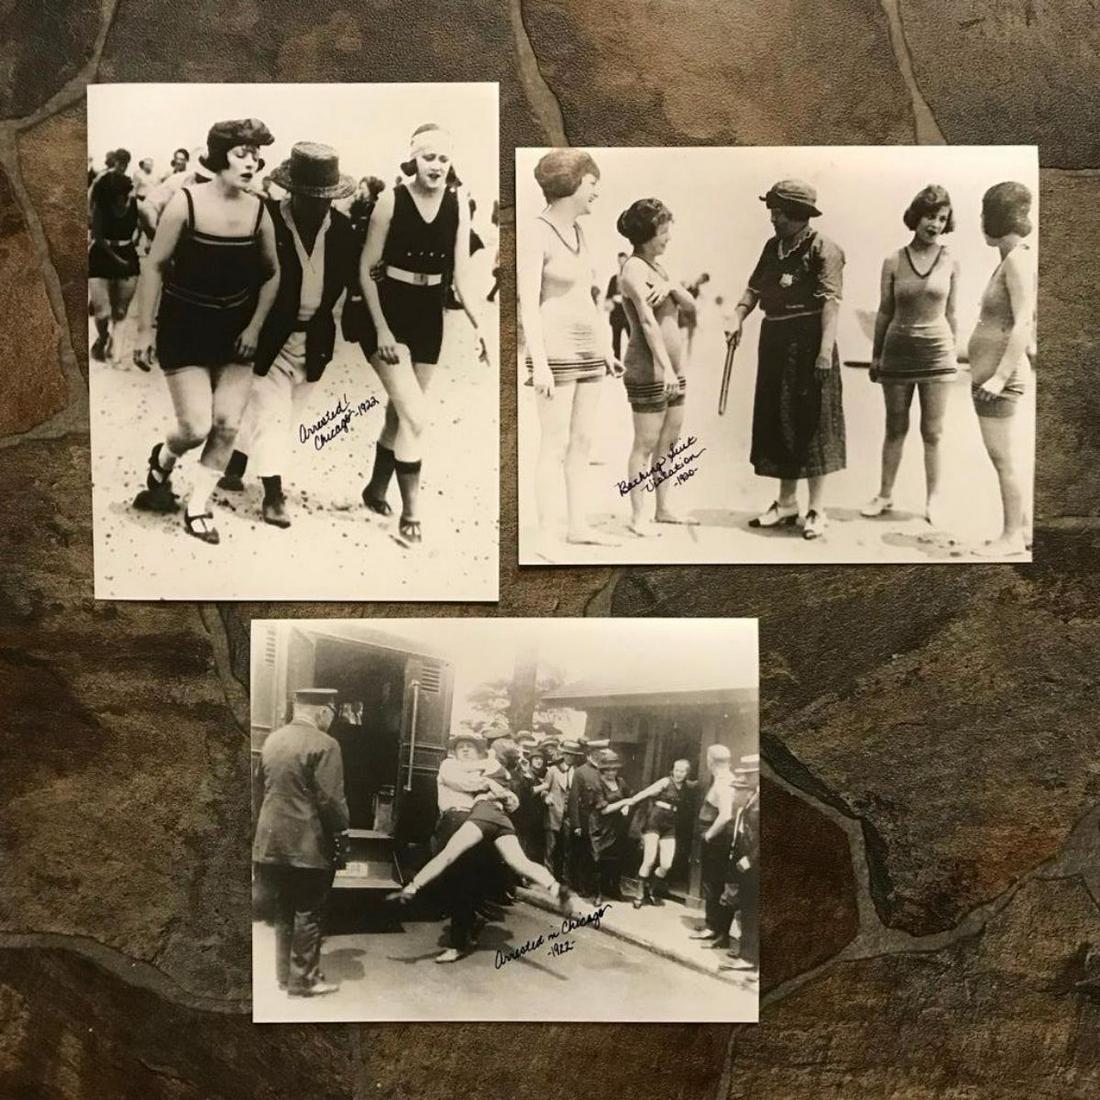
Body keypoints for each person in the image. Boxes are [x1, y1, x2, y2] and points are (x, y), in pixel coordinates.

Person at [131, 118, 279, 546]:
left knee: (228, 425)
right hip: (186, 326)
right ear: (219, 158)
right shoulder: (186, 203)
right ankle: (164, 457)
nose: (250, 163)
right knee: (195, 427)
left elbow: (272, 275)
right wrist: (144, 332)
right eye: (240, 154)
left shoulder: (259, 210)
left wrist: (254, 326)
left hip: (236, 331)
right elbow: (155, 265)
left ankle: (197, 505)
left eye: (255, 154)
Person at [352, 122, 488, 547]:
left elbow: (463, 275)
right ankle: (411, 514)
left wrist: (480, 324)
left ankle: (376, 489)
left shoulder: (458, 204)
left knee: (401, 412)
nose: (437, 165)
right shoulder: (390, 201)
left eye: (444, 158)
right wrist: (382, 330)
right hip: (388, 311)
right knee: (416, 415)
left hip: (430, 316)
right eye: (429, 157)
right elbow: (365, 268)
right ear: (413, 159)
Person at [216, 142, 358, 527]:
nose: (318, 206)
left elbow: (353, 279)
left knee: (286, 414)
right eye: (310, 198)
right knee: (271, 412)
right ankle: (273, 495)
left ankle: (237, 461)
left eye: (325, 198)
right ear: (293, 193)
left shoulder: (344, 231)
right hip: (269, 337)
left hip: (314, 341)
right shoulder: (266, 221)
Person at [726, 179, 846, 540]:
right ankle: (786, 503)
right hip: (775, 340)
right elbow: (754, 289)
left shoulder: (825, 248)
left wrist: (825, 352)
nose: (773, 218)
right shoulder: (771, 247)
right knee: (779, 419)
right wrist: (737, 315)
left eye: (778, 212)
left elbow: (831, 303)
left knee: (813, 424)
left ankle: (816, 509)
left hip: (811, 344)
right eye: (772, 211)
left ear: (798, 214)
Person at [519, 149, 622, 556]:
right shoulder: (536, 232)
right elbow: (528, 303)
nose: (597, 191)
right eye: (593, 183)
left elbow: (591, 297)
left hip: (589, 351)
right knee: (554, 443)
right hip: (556, 350)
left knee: (582, 441)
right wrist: (539, 362)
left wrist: (606, 348)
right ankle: (547, 536)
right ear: (574, 184)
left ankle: (578, 526)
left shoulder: (583, 233)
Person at [388, 737, 578, 917]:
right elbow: (481, 788)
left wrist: (494, 788)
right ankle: (554, 887)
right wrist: (496, 788)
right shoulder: (454, 765)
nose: (464, 750)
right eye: (460, 746)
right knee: (516, 862)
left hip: (481, 817)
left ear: (481, 753)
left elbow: (512, 801)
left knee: (450, 858)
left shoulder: (486, 766)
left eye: (469, 747)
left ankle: (415, 887)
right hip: (482, 819)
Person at [862, 185, 960, 527]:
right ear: (916, 216)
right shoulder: (893, 260)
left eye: (942, 218)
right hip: (897, 353)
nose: (935, 224)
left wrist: (953, 357)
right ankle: (884, 495)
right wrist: (876, 356)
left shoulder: (950, 260)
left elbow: (953, 313)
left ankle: (935, 499)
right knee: (895, 428)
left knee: (933, 432)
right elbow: (884, 312)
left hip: (937, 355)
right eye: (930, 216)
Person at [252, 687, 349, 997]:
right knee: (309, 911)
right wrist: (341, 831)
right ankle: (303, 981)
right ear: (322, 711)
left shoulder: (273, 739)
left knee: (283, 910)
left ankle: (285, 976)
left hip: (271, 842)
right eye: (331, 715)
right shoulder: (326, 744)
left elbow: (259, 788)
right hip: (308, 845)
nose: (331, 721)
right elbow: (330, 799)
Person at [617, 197, 700, 535]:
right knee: (645, 443)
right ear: (648, 233)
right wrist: (665, 368)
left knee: (670, 440)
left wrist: (672, 286)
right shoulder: (634, 268)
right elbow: (649, 325)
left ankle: (664, 508)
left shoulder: (660, 269)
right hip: (650, 367)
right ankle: (638, 516)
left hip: (672, 368)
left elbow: (691, 305)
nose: (669, 237)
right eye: (664, 231)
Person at [968, 181, 1037, 557]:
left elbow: (1023, 323)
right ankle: (1023, 528)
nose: (980, 221)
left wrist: (997, 376)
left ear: (994, 216)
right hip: (991, 375)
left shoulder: (1017, 260)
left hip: (1000, 379)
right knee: (1004, 457)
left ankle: (1010, 537)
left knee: (1003, 459)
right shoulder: (1011, 259)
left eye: (983, 213)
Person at [87, 170, 149, 362]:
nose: (118, 201)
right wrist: (117, 260)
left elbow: (151, 228)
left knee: (120, 312)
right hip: (101, 255)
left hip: (127, 254)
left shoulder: (138, 207)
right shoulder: (101, 206)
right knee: (102, 311)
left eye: (120, 197)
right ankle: (103, 337)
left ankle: (116, 347)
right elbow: (97, 237)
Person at [620, 757, 693, 908]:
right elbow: (645, 793)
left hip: (670, 826)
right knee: (649, 860)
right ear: (673, 770)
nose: (679, 773)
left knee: (666, 864)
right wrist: (629, 803)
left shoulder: (687, 786)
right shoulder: (665, 782)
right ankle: (639, 893)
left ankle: (651, 889)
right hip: (654, 822)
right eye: (677, 770)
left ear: (687, 773)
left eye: (683, 771)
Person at [689, 745, 735, 948]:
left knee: (713, 884)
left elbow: (726, 815)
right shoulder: (724, 780)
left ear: (710, 760)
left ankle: (715, 928)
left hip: (717, 842)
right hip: (717, 842)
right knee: (712, 884)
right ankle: (713, 926)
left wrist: (708, 835)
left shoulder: (723, 783)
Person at [720, 757, 760, 974]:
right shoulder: (754, 795)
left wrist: (751, 858)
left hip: (755, 864)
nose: (746, 777)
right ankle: (749, 956)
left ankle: (749, 958)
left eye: (750, 774)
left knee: (752, 910)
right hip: (748, 862)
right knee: (748, 909)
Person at [588, 749, 633, 904]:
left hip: (617, 826)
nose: (612, 772)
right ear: (603, 769)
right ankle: (598, 893)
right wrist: (623, 803)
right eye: (608, 769)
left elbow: (630, 798)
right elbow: (604, 809)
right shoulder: (597, 784)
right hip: (600, 826)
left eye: (614, 769)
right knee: (598, 860)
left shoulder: (621, 782)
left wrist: (627, 806)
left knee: (616, 860)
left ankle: (613, 889)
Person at [566, 738, 608, 898]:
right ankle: (580, 886)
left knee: (596, 855)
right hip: (585, 819)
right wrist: (576, 824)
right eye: (599, 753)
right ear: (591, 754)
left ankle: (593, 887)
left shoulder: (605, 771)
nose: (602, 756)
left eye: (603, 753)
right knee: (583, 854)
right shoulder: (581, 772)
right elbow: (573, 799)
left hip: (601, 821)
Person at [542, 737, 579, 881]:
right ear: (563, 754)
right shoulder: (552, 770)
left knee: (567, 848)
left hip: (569, 815)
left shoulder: (576, 772)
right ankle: (547, 877)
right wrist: (547, 798)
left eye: (573, 755)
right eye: (568, 754)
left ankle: (563, 877)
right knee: (550, 847)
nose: (570, 757)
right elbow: (544, 789)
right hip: (553, 813)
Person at [605, 251, 629, 358]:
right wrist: (612, 300)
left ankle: (633, 365)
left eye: (624, 263)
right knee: (616, 341)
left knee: (632, 340)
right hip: (616, 315)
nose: (622, 265)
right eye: (620, 262)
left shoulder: (631, 279)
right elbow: (608, 296)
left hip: (628, 314)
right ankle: (617, 364)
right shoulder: (614, 279)